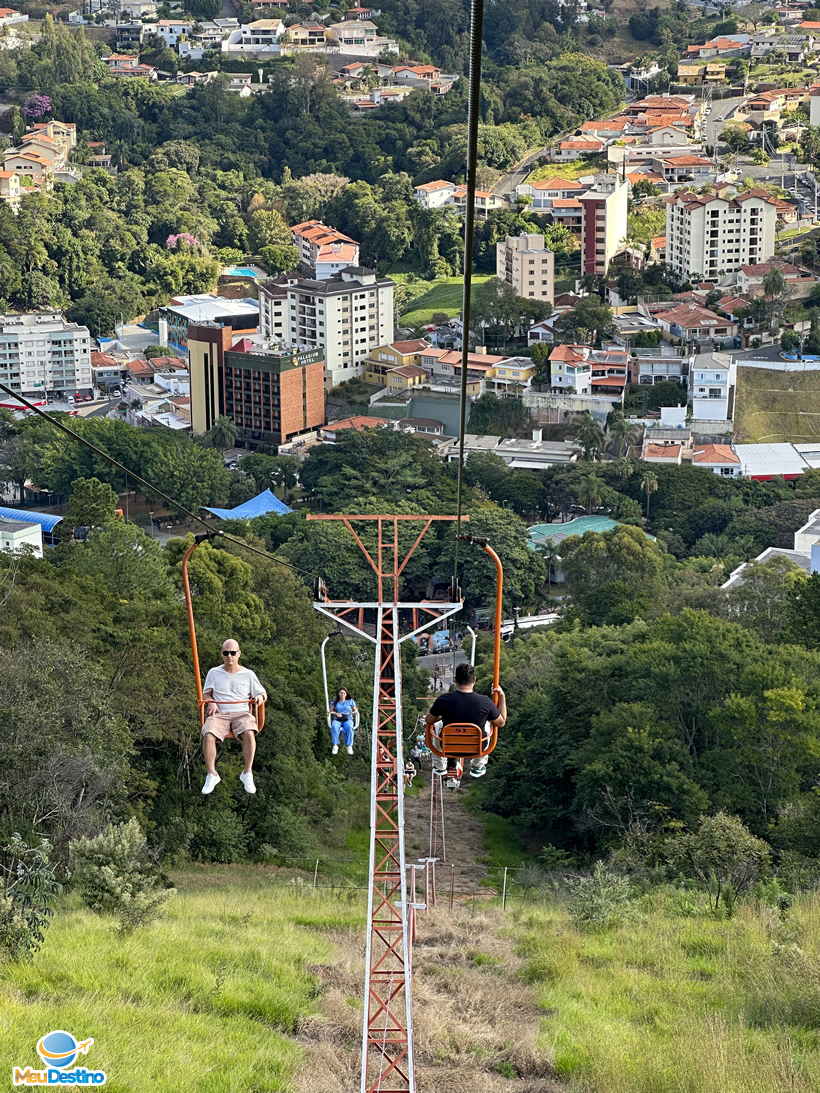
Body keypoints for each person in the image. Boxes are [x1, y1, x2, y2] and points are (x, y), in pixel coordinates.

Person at [425, 662, 506, 790]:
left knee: (438, 724)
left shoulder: (444, 700)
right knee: (487, 723)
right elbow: (501, 722)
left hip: (448, 746)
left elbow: (429, 719)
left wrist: (443, 716)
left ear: (455, 680)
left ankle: (439, 764)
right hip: (476, 747)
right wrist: (501, 696)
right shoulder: (484, 701)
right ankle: (478, 764)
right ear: (474, 680)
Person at [201, 639, 267, 795]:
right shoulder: (214, 673)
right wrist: (211, 702)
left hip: (241, 713)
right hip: (220, 714)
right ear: (222, 654)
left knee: (250, 732)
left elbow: (262, 693)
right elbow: (206, 693)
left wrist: (259, 698)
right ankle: (211, 774)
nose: (229, 656)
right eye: (226, 653)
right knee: (208, 734)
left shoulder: (248, 674)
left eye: (232, 653)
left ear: (239, 654)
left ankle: (247, 772)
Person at [329, 687, 357, 755]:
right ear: (339, 694)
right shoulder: (335, 701)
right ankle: (335, 745)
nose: (342, 695)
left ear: (346, 694)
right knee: (334, 727)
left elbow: (355, 710)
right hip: (338, 718)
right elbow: (330, 711)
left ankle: (349, 745)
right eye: (341, 693)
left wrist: (354, 712)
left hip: (347, 718)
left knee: (350, 727)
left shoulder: (350, 701)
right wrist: (336, 713)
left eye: (344, 693)